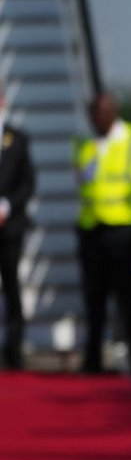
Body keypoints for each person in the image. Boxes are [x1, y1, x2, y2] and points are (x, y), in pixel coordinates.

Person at [76, 92, 131, 375]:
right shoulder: (87, 145)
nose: (96, 119)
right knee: (94, 295)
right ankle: (93, 358)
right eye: (93, 114)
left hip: (124, 230)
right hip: (92, 228)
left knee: (127, 295)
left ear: (113, 112)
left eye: (101, 113)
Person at [0, 86, 35, 370]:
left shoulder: (18, 139)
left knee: (12, 285)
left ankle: (14, 350)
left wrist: (7, 206)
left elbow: (27, 183)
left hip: (9, 227)